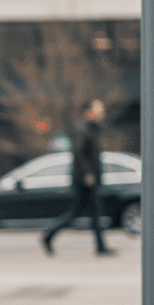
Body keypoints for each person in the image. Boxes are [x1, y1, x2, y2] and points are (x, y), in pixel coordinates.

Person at [42, 99, 114, 255]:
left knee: (89, 213)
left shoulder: (92, 129)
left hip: (89, 178)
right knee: (82, 213)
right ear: (89, 111)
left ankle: (100, 246)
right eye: (98, 109)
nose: (102, 113)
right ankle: (49, 234)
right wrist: (88, 174)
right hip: (85, 180)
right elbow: (79, 154)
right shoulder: (83, 129)